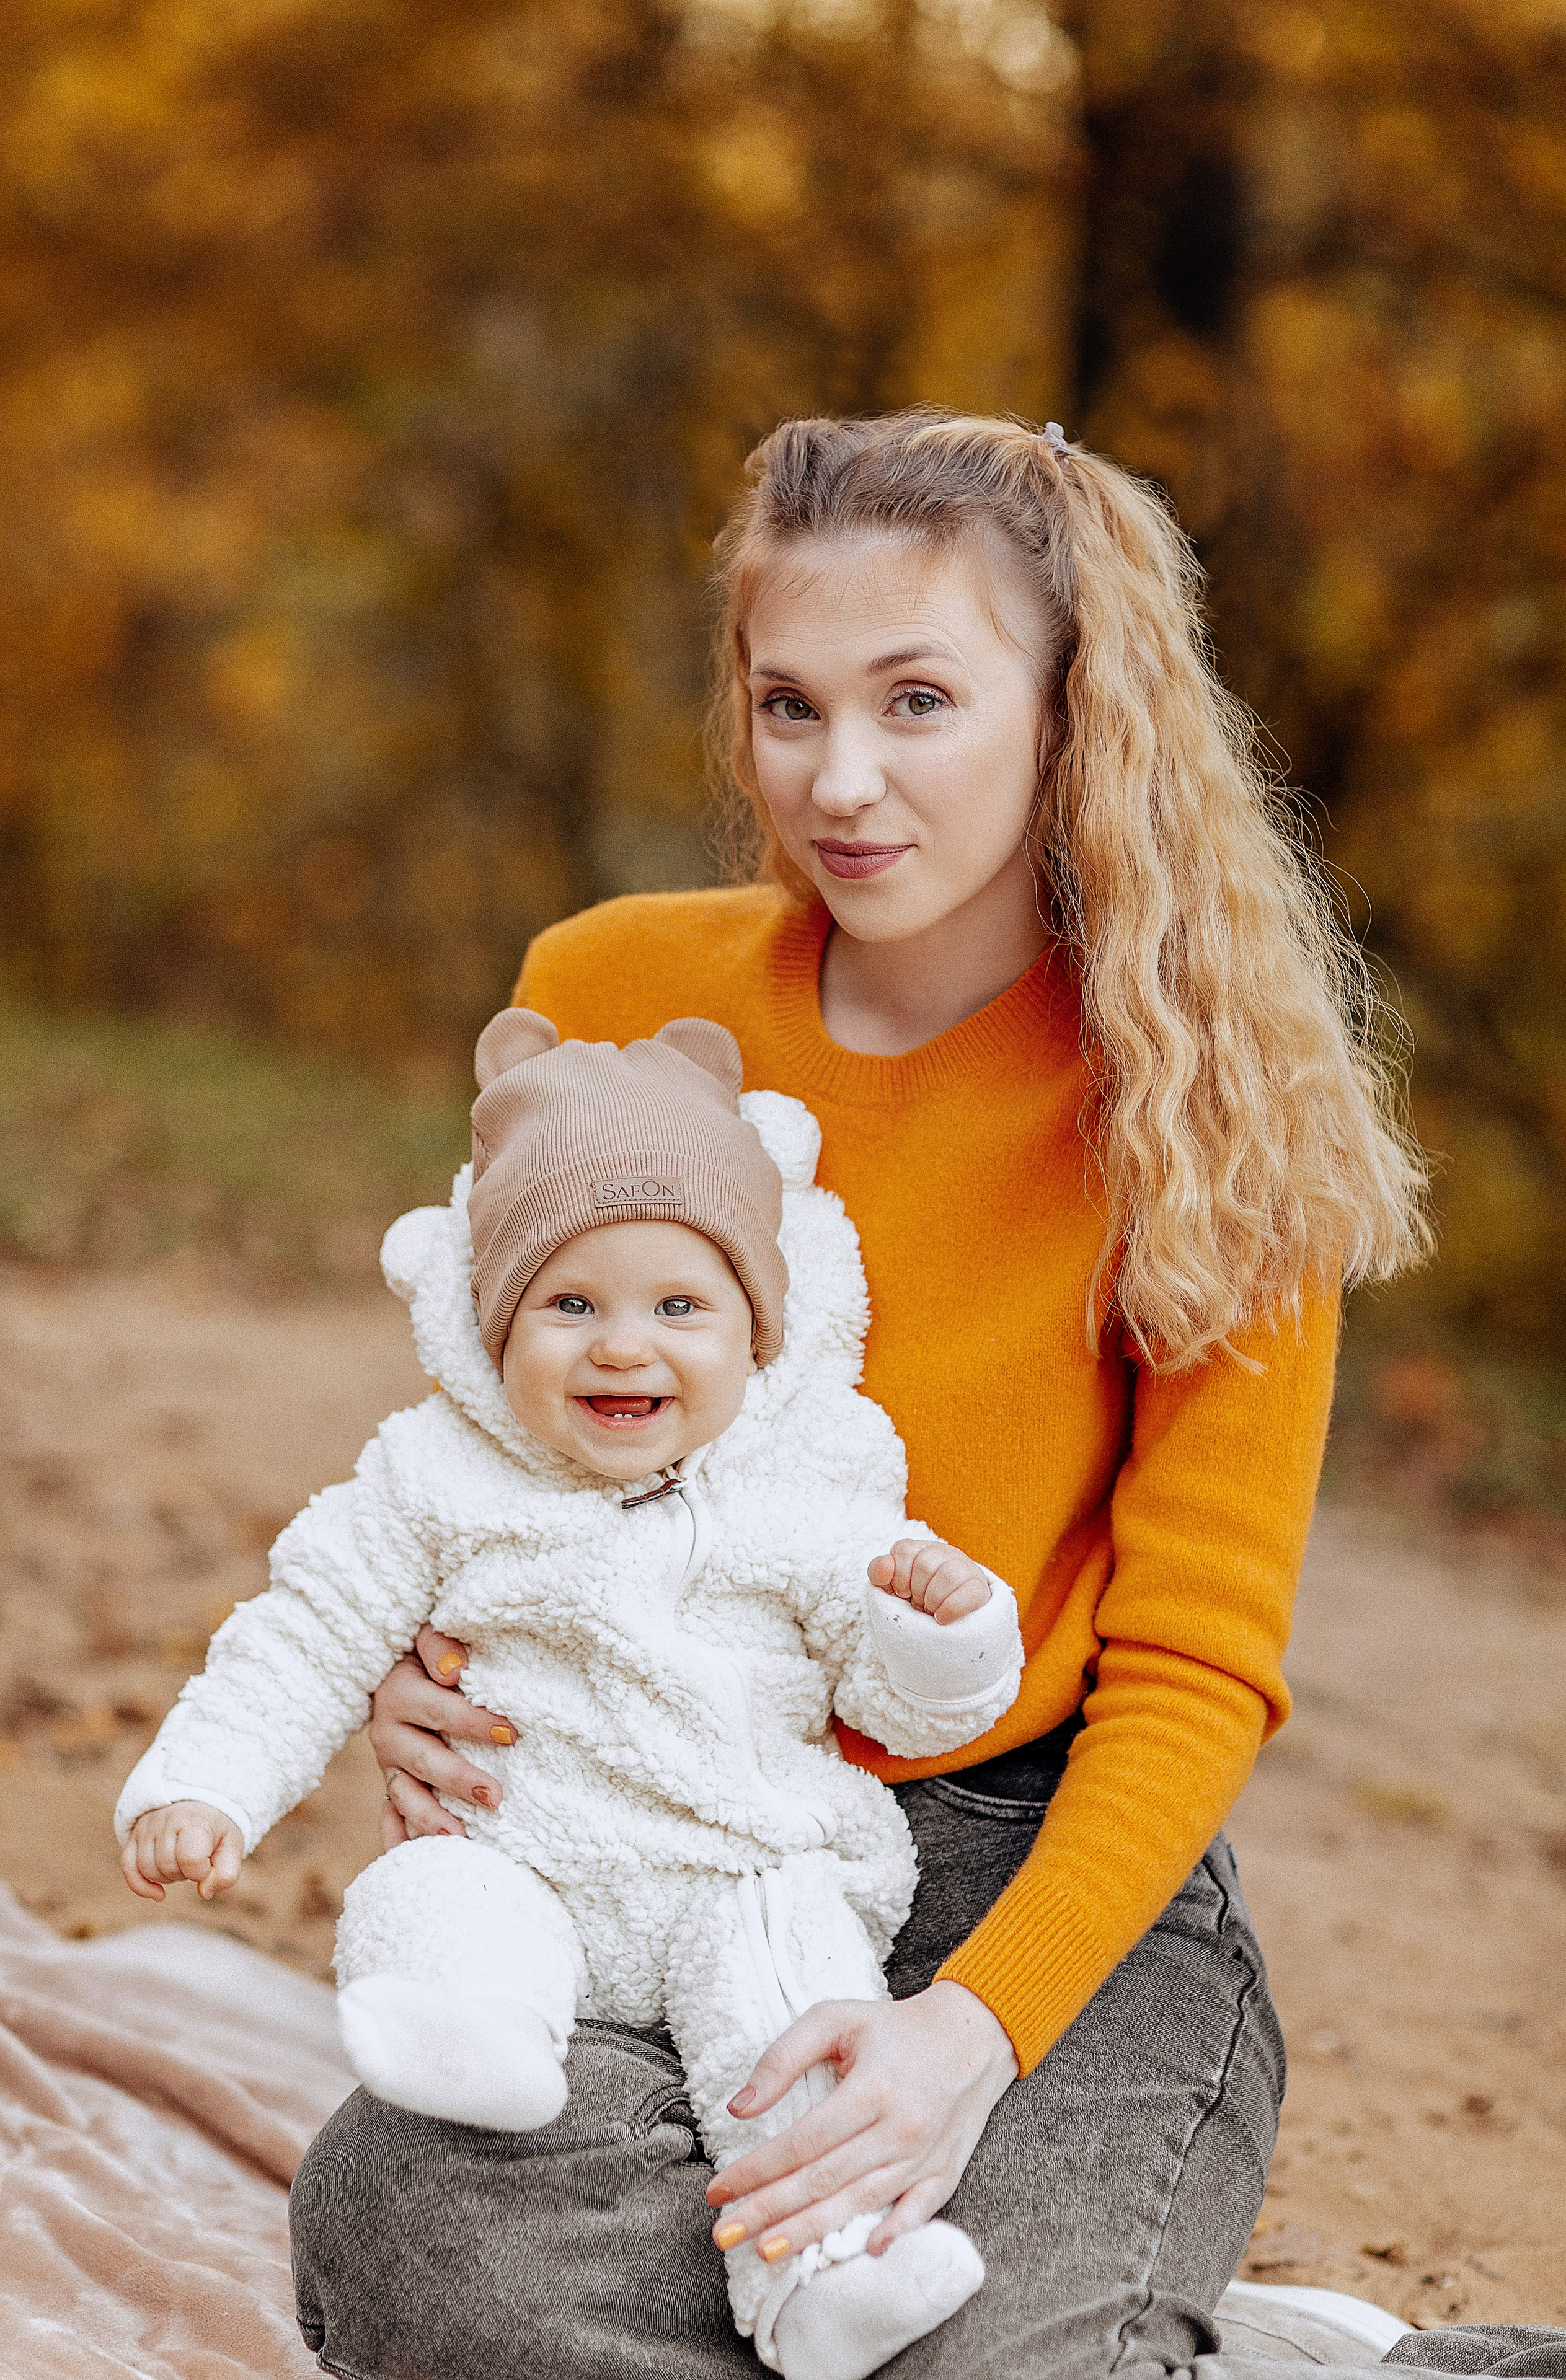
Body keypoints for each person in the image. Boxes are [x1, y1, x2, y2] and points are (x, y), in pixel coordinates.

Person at [288, 411, 1554, 2380]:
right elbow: (513, 1449)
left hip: (1044, 1886)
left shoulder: (1217, 1110)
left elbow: (1194, 1672)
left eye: (920, 700)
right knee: (407, 2230)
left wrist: (966, 2043)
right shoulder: (611, 992)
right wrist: (424, 1673)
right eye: (788, 705)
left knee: (998, 2360)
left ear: (1073, 713)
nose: (841, 780)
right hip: (673, 1839)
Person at [116, 1009, 1024, 2380]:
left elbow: (898, 1697)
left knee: (792, 2011)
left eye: (679, 1308)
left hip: (740, 1869)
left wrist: (944, 1636)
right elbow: (307, 1629)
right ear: (495, 1326)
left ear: (757, 1330)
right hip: (523, 1856)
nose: (621, 1348)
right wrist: (206, 1783)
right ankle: (473, 2043)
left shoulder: (809, 1489)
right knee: (432, 1894)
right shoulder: (437, 1476)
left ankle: (826, 2275)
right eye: (570, 1304)